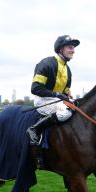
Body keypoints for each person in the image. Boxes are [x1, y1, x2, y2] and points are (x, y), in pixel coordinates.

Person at [26, 35, 80, 169]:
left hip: (57, 101)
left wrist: (72, 99)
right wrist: (57, 94)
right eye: (70, 47)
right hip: (42, 100)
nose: (73, 50)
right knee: (66, 113)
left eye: (73, 48)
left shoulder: (68, 70)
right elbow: (35, 88)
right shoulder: (46, 63)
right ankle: (34, 129)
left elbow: (66, 93)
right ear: (60, 49)